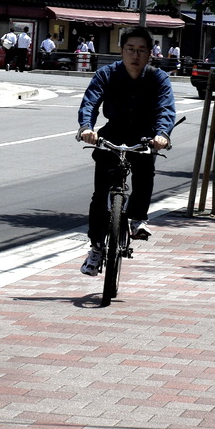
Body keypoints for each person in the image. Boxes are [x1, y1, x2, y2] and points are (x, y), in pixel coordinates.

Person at [76, 26, 176, 277]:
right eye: (130, 49)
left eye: (142, 50)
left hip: (145, 136)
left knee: (145, 173)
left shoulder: (158, 78)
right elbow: (90, 102)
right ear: (121, 50)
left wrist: (162, 135)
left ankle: (139, 218)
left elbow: (166, 109)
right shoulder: (106, 74)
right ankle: (96, 248)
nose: (135, 55)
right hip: (112, 134)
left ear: (150, 53)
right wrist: (87, 128)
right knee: (100, 195)